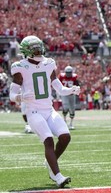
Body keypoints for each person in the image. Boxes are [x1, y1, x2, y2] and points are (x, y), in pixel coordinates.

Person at [9, 35, 80, 188]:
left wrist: (71, 90)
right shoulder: (20, 66)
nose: (37, 50)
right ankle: (58, 176)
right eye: (34, 48)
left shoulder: (49, 63)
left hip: (48, 109)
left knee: (65, 137)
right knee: (48, 140)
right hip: (33, 111)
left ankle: (50, 161)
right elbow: (12, 94)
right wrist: (20, 97)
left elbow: (59, 88)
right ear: (26, 51)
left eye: (38, 47)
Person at [59, 65, 80, 129]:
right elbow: (59, 85)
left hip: (71, 94)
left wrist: (77, 89)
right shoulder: (61, 76)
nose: (68, 74)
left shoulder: (74, 77)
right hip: (64, 94)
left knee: (72, 109)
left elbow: (77, 85)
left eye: (69, 72)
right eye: (67, 72)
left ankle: (71, 123)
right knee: (65, 107)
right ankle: (64, 121)